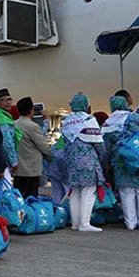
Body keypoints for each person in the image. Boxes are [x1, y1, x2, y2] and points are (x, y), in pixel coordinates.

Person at [103, 96, 139, 230]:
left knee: (126, 191)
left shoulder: (108, 123)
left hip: (121, 160)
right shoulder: (132, 117)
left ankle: (130, 222)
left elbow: (106, 148)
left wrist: (107, 164)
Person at [61, 93, 105, 232]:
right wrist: (103, 158)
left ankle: (75, 223)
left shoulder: (67, 120)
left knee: (75, 192)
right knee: (88, 192)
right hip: (87, 162)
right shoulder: (89, 119)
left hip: (71, 162)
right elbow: (98, 143)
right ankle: (85, 224)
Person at [13, 96, 51, 198]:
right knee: (30, 198)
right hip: (31, 170)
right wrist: (51, 158)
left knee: (19, 197)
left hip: (18, 169)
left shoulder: (14, 124)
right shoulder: (33, 126)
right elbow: (43, 146)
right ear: (31, 111)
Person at [0, 88, 20, 179]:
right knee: (5, 191)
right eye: (3, 100)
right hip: (3, 163)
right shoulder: (2, 119)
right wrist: (14, 161)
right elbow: (6, 142)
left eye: (9, 99)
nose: (8, 102)